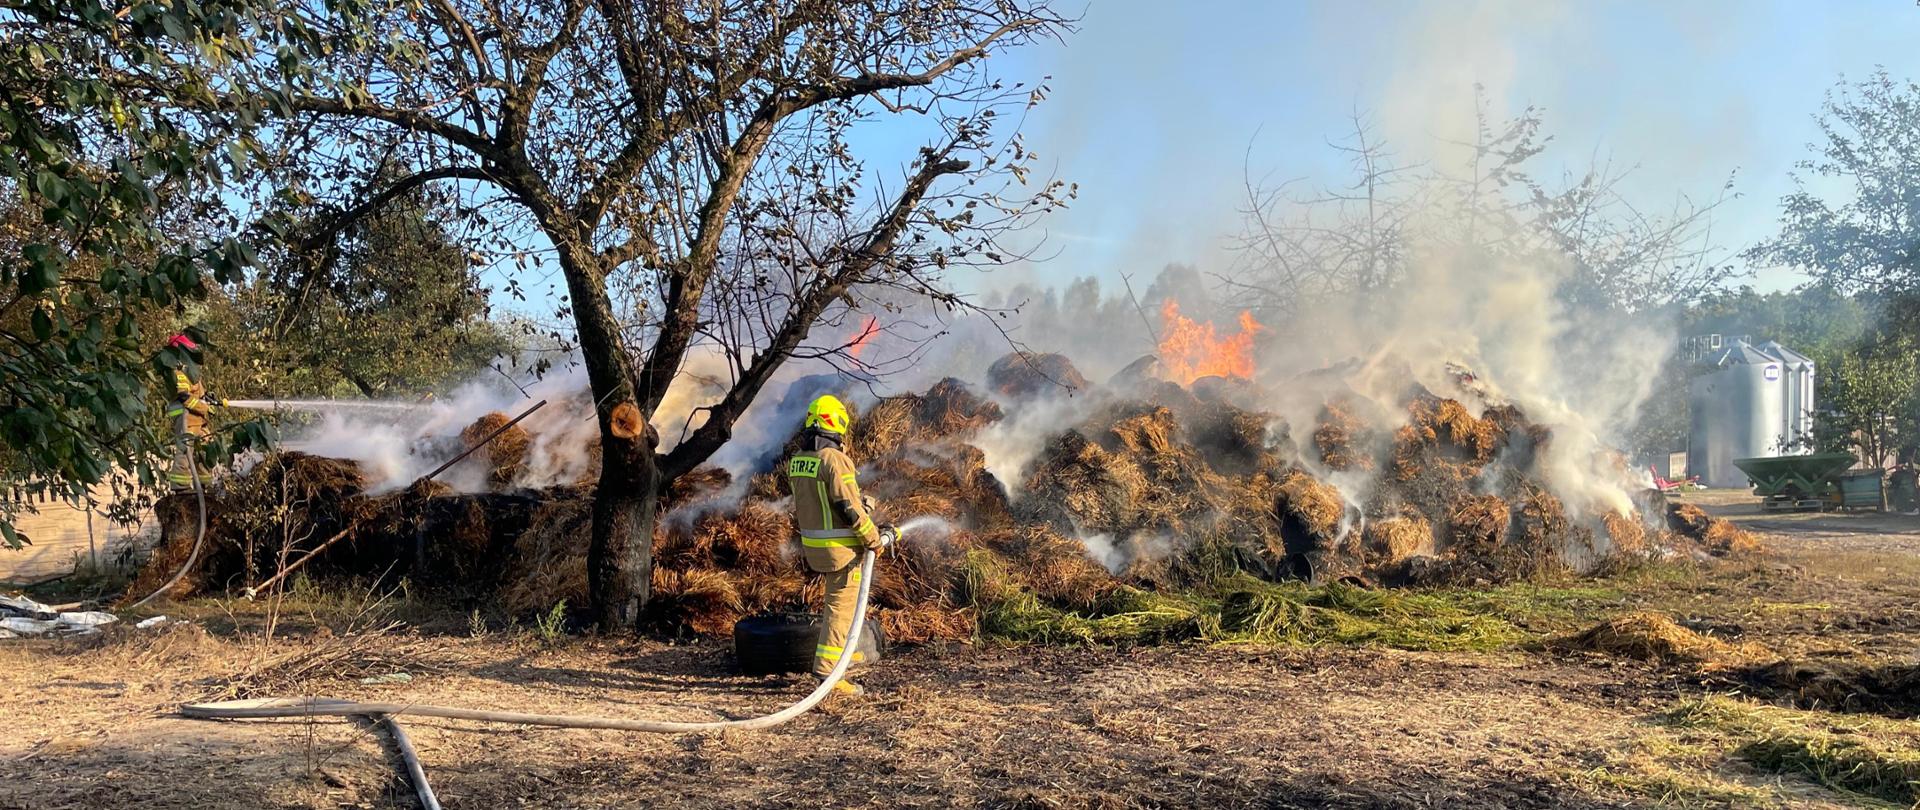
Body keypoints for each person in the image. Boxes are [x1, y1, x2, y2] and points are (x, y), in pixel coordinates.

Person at [785, 394, 889, 697]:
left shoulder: (799, 460)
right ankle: (828, 674)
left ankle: (848, 652)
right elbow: (847, 506)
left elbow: (824, 501)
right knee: (840, 610)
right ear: (836, 423)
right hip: (843, 549)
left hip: (816, 546)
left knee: (843, 604)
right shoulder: (834, 459)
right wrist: (872, 538)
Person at [162, 333, 224, 493]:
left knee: (205, 450)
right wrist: (203, 407)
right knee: (185, 451)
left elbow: (199, 393)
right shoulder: (178, 372)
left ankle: (205, 484)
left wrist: (208, 398)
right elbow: (184, 396)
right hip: (186, 421)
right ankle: (180, 487)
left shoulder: (191, 372)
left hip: (199, 421)